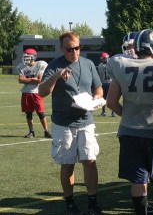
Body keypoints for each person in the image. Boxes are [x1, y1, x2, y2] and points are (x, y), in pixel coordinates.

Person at [106, 29, 153, 215]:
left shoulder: (120, 64)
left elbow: (110, 102)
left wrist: (127, 115)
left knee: (138, 181)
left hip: (130, 131)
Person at [38, 31, 103, 215]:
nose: (74, 52)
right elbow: (42, 92)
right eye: (69, 49)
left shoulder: (88, 64)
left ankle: (92, 202)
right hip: (64, 124)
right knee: (68, 164)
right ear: (62, 48)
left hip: (86, 121)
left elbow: (98, 89)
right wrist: (56, 76)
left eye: (77, 48)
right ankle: (70, 202)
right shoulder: (54, 65)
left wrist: (97, 99)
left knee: (90, 161)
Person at [17, 48, 52, 138]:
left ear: (33, 57)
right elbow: (20, 80)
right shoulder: (21, 66)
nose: (25, 59)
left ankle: (46, 131)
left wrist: (27, 80)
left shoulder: (40, 64)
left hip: (37, 92)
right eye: (24, 57)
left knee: (40, 113)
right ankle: (31, 131)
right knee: (28, 113)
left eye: (27, 57)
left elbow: (39, 80)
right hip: (26, 92)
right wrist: (32, 79)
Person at [97, 52, 115, 117]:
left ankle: (104, 112)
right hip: (110, 83)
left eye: (103, 58)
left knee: (104, 98)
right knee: (112, 98)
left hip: (105, 83)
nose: (102, 60)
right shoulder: (112, 64)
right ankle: (112, 112)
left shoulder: (100, 65)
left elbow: (100, 76)